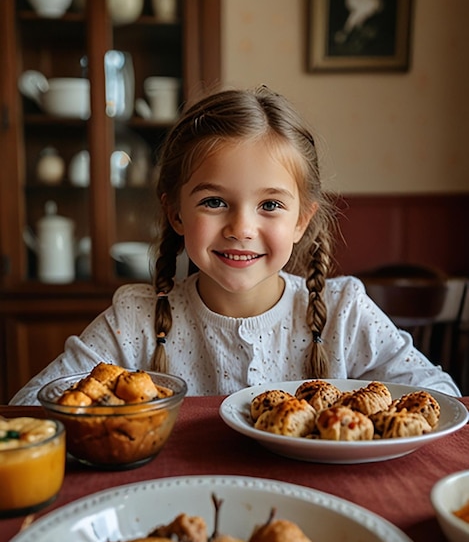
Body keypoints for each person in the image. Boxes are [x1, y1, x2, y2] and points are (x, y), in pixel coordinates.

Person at [10, 85, 460, 405]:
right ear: (176, 213)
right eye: (214, 201)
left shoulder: (344, 312)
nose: (241, 227)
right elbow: (29, 406)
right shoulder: (136, 319)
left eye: (269, 205)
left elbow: (443, 398)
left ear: (302, 220)